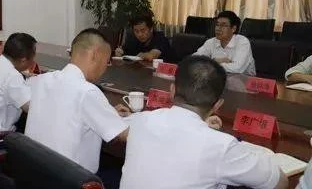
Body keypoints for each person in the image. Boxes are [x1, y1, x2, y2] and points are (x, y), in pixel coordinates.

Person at [120, 56, 287, 189]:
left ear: (172, 90)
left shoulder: (141, 120)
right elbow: (279, 182)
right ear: (217, 105)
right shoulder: (221, 146)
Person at [25, 28, 130, 184]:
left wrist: (107, 111)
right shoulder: (87, 92)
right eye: (107, 61)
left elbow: (63, 109)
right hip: (71, 181)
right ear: (95, 55)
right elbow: (123, 135)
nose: (106, 67)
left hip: (34, 176)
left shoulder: (40, 80)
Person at [194, 10, 256, 75]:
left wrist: (209, 63)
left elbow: (237, 68)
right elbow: (194, 60)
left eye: (223, 25)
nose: (218, 28)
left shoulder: (243, 42)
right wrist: (215, 60)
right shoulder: (211, 42)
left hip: (245, 78)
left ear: (233, 29)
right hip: (218, 77)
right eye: (217, 24)